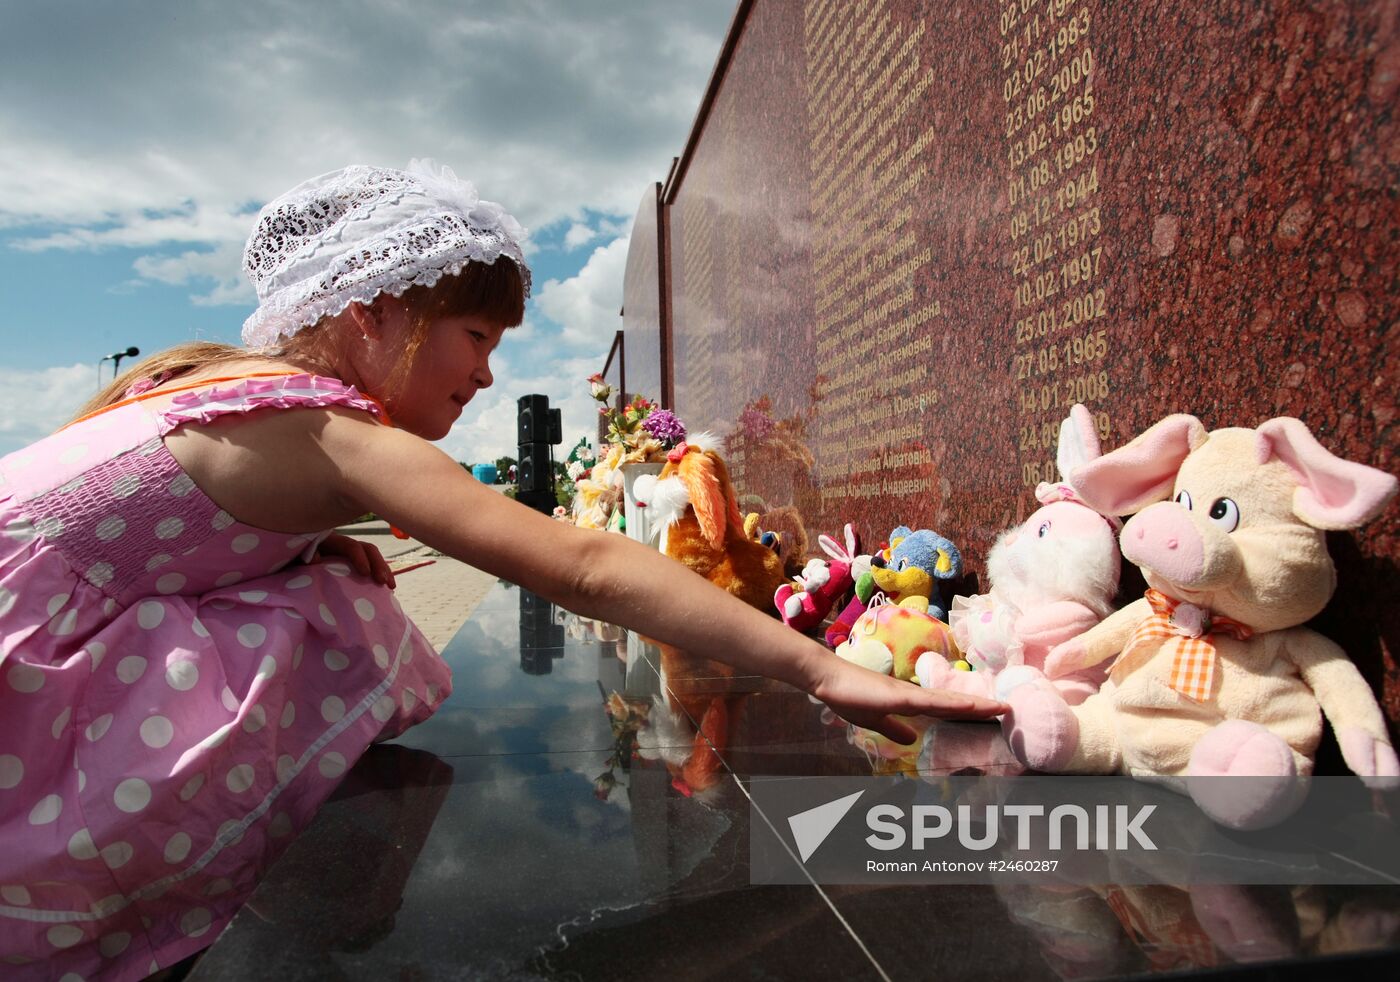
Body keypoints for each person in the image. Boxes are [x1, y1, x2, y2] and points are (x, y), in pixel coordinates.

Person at [0, 161, 1004, 979]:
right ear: (374, 314)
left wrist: (303, 543)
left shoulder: (230, 388)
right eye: (474, 336)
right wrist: (818, 668)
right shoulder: (326, 429)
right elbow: (583, 564)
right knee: (330, 620)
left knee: (324, 587)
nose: (486, 373)